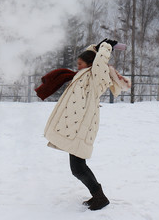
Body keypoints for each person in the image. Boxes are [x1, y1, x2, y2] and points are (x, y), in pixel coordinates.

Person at [37, 39, 130, 211]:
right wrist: (96, 47)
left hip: (82, 129)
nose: (77, 66)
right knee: (78, 167)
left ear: (90, 65)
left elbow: (99, 62)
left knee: (78, 168)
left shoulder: (97, 78)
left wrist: (105, 47)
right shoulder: (85, 75)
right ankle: (98, 195)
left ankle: (100, 197)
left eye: (80, 64)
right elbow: (94, 57)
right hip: (76, 128)